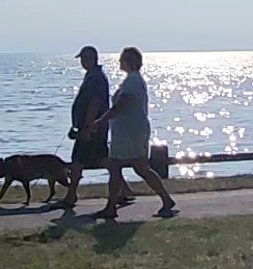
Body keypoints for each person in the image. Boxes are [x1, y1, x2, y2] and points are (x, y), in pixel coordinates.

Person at [91, 46, 175, 220]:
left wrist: (101, 120)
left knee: (119, 167)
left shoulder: (133, 82)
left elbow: (122, 105)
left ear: (129, 62)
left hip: (129, 132)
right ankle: (166, 199)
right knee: (140, 167)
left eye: (122, 59)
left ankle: (111, 207)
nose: (120, 62)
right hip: (128, 131)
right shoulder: (131, 80)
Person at [60, 46, 130, 208]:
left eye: (84, 59)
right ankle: (124, 189)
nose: (82, 63)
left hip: (92, 127)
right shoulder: (92, 76)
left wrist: (87, 126)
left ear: (90, 59)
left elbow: (95, 102)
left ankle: (71, 195)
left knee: (78, 160)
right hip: (94, 126)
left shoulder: (96, 78)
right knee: (102, 159)